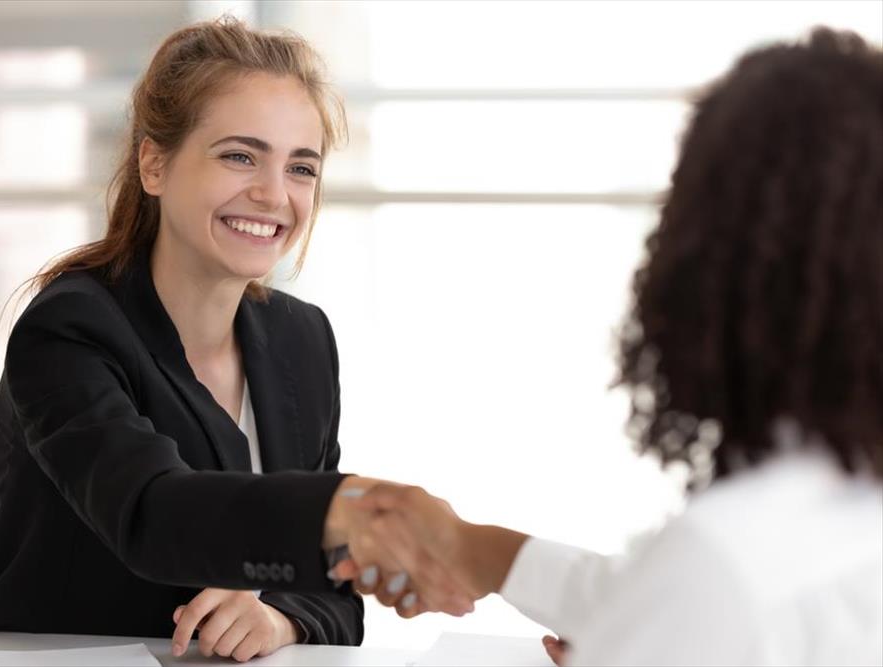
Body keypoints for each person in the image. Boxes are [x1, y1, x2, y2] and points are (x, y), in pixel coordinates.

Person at [333, 27, 883, 666]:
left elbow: (685, 595)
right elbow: (649, 597)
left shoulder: (722, 562)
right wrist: (466, 544)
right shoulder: (834, 506)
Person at [0, 17, 466, 662]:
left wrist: (277, 620)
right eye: (239, 156)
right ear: (154, 164)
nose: (274, 194)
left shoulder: (301, 337)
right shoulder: (69, 330)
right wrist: (348, 514)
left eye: (301, 167)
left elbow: (334, 595)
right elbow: (152, 511)